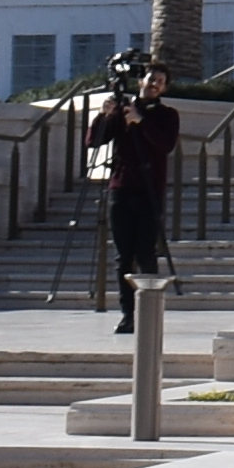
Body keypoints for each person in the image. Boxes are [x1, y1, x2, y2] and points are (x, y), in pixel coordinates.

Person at [102, 56, 180, 325]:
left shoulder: (167, 115)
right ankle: (127, 315)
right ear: (141, 82)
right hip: (121, 189)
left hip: (150, 191)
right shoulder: (123, 110)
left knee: (146, 254)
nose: (154, 85)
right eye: (151, 80)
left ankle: (149, 313)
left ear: (165, 88)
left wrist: (141, 121)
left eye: (160, 82)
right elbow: (94, 140)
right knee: (123, 257)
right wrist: (105, 115)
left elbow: (165, 145)